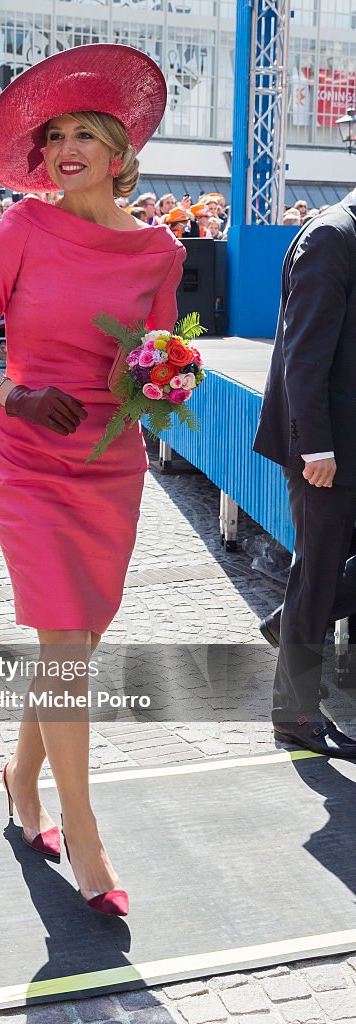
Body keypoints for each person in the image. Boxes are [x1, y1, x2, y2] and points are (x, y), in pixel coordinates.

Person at [0, 44, 185, 916]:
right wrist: (14, 393)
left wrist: (167, 378)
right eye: (55, 136)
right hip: (26, 457)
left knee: (71, 647)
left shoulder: (160, 251)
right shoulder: (20, 228)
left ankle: (20, 778)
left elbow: (155, 359)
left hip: (108, 467)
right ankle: (83, 833)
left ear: (121, 154)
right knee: (62, 647)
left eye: (87, 132)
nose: (66, 147)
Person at [253, 188, 356, 759]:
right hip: (327, 451)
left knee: (317, 590)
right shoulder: (331, 236)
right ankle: (293, 715)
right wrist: (315, 445)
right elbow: (305, 353)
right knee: (315, 580)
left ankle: (286, 621)